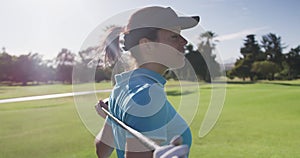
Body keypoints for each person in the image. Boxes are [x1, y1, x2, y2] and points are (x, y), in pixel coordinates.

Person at [94, 6, 199, 158]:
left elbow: (101, 150)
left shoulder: (122, 87)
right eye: (174, 37)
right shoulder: (149, 94)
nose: (185, 41)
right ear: (147, 45)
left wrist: (112, 119)